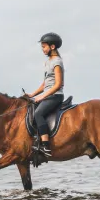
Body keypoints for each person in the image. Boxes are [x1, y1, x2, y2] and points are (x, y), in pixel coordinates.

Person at [25, 32, 65, 160]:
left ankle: (46, 146)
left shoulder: (57, 62)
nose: (42, 49)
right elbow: (45, 84)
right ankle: (35, 140)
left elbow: (58, 84)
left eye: (44, 46)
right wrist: (32, 94)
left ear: (52, 47)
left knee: (38, 114)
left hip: (55, 96)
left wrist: (42, 97)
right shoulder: (48, 62)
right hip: (48, 95)